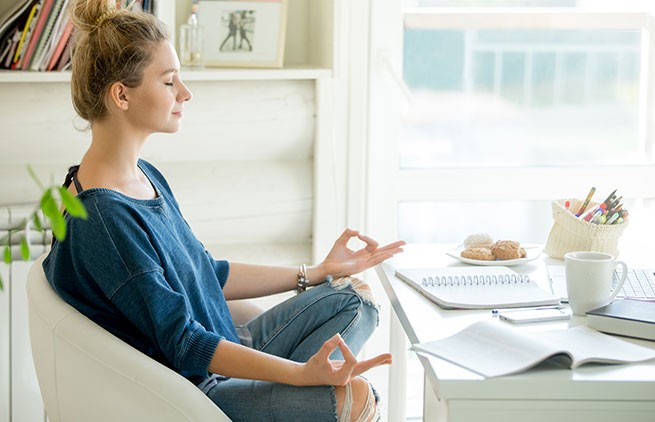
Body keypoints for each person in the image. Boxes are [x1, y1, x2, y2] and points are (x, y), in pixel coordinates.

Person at [43, 2, 405, 421]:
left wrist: (317, 271)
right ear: (121, 95)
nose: (185, 93)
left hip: (227, 341)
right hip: (197, 392)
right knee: (358, 397)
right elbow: (183, 342)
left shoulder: (141, 175)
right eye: (168, 81)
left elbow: (207, 273)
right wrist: (300, 375)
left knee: (355, 300)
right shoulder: (105, 219)